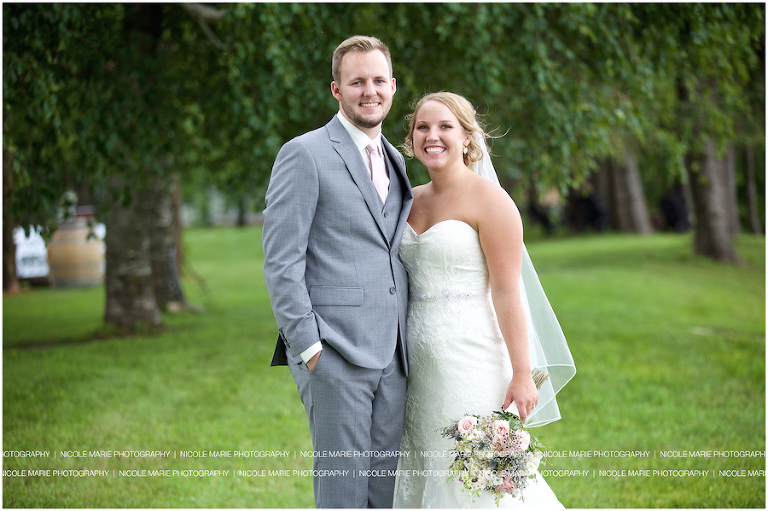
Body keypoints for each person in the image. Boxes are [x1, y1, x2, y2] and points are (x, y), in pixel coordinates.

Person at [392, 92, 576, 508]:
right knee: (424, 466)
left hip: (471, 359)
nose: (432, 136)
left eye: (445, 127)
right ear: (411, 139)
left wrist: (523, 373)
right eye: (423, 127)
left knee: (474, 475)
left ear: (468, 139)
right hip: (414, 365)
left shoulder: (492, 201)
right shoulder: (407, 200)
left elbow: (509, 290)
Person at [262, 35, 413, 508]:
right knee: (343, 493)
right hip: (334, 353)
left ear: (392, 86)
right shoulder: (304, 154)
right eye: (356, 82)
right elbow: (281, 261)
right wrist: (309, 348)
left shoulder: (396, 158)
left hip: (394, 354)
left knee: (384, 492)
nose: (369, 91)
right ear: (336, 90)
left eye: (377, 80)